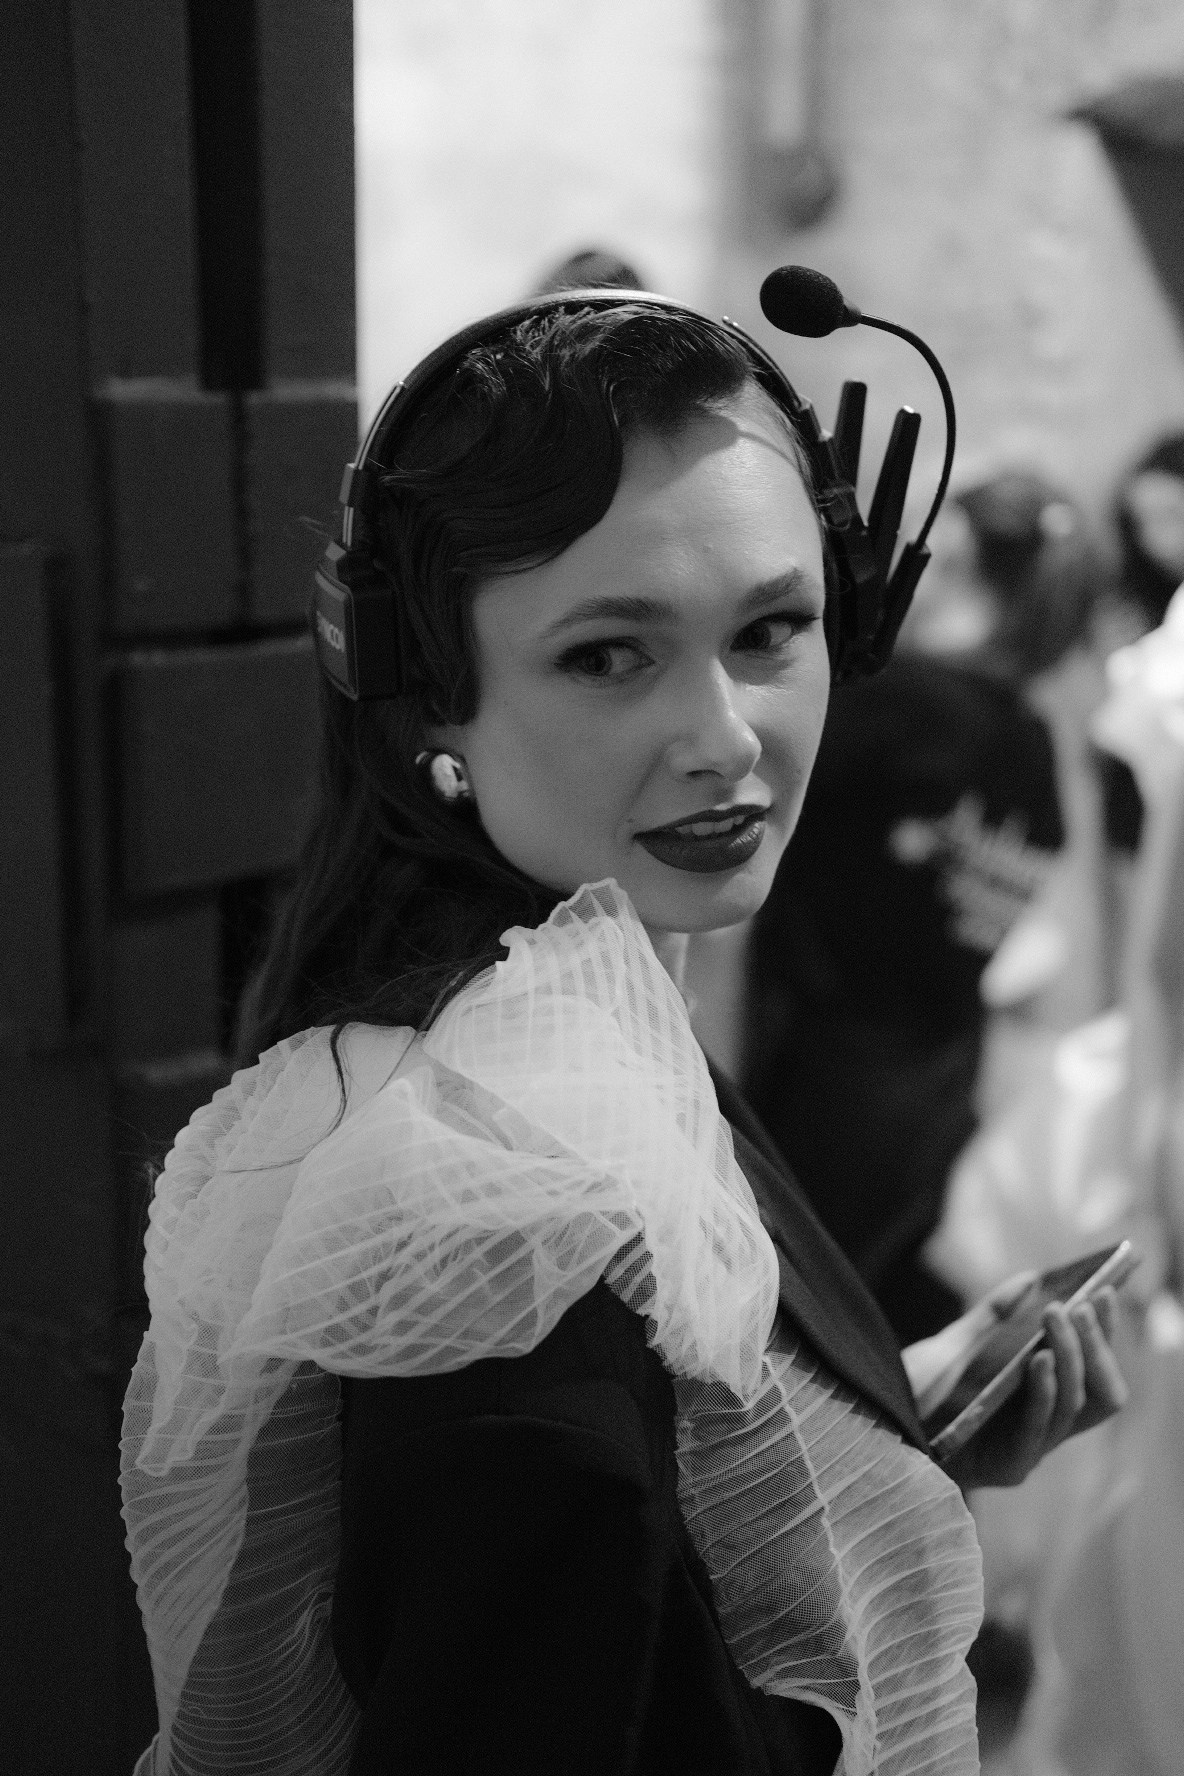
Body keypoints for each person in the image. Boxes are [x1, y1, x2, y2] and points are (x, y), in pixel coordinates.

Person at [120, 295, 1126, 1776]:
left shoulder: (573, 1036)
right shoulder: (502, 1223)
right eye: (607, 656)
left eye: (771, 630)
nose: (726, 739)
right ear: (425, 696)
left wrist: (871, 1437)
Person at [734, 472, 1116, 1344]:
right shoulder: (1031, 744)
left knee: (773, 1333)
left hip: (825, 1079)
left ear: (962, 560)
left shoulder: (898, 704)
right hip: (936, 1088)